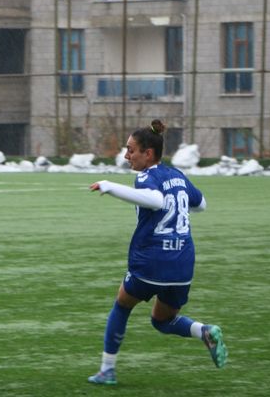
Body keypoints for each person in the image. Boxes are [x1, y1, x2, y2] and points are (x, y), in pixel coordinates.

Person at [87, 119, 227, 386]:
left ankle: (107, 370)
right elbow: (202, 204)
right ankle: (204, 332)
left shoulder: (145, 177)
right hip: (183, 264)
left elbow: (156, 200)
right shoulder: (177, 175)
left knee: (122, 305)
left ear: (148, 153)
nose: (127, 156)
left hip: (152, 261)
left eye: (131, 150)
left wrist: (110, 186)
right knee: (162, 321)